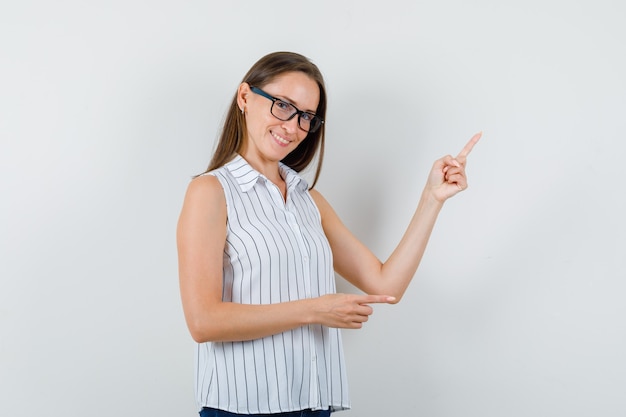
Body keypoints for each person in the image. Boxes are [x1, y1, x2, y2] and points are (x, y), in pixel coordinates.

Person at [176, 51, 481, 417]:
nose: (292, 127)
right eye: (282, 106)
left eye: (306, 117)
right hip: (242, 409)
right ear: (245, 97)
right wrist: (315, 309)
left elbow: (386, 285)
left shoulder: (310, 201)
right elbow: (202, 321)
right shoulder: (210, 192)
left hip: (313, 405)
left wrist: (432, 198)